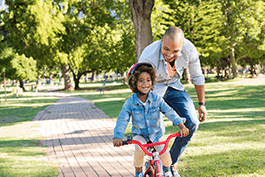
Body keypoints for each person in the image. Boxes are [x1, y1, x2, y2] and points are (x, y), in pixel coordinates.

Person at [138, 26, 207, 176]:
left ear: (183, 45)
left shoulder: (190, 50)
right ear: (161, 40)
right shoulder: (148, 56)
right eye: (166, 49)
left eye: (175, 51)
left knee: (192, 123)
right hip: (153, 89)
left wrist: (202, 105)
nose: (169, 54)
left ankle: (169, 164)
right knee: (154, 128)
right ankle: (156, 162)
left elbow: (197, 77)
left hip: (174, 87)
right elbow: (140, 85)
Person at [112, 63, 189, 177]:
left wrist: (181, 125)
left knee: (164, 153)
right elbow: (122, 119)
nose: (145, 83)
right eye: (141, 80)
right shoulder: (130, 103)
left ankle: (167, 170)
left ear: (152, 82)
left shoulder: (157, 99)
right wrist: (117, 136)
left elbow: (170, 112)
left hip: (156, 134)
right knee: (139, 150)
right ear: (134, 83)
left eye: (148, 80)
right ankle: (138, 172)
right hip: (140, 135)